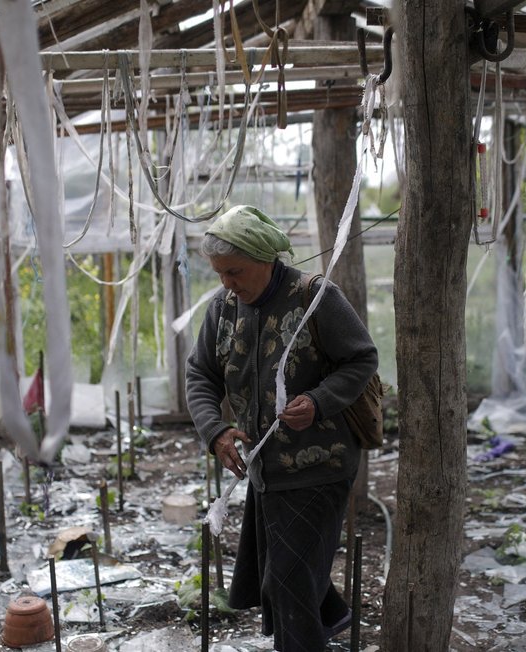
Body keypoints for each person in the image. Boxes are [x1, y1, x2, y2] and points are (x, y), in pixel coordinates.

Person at [185, 205, 379, 651]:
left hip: (319, 467)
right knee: (285, 575)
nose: (227, 283)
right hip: (264, 472)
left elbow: (362, 359)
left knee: (286, 582)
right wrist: (215, 432)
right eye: (219, 273)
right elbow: (201, 375)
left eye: (235, 271)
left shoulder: (316, 297)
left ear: (267, 259)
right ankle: (331, 619)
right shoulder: (224, 308)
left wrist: (318, 401)